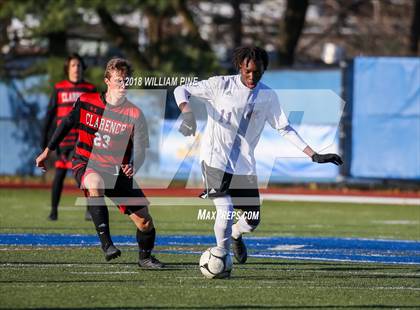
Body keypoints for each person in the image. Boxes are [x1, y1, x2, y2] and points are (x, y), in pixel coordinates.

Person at [174, 45, 343, 264]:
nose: (252, 76)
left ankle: (236, 234)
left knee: (252, 221)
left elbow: (284, 128)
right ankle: (220, 256)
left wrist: (314, 154)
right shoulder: (220, 85)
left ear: (264, 69)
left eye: (257, 71)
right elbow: (181, 90)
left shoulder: (268, 96)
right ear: (239, 68)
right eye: (247, 71)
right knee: (225, 210)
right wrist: (187, 113)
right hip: (214, 159)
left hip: (243, 166)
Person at [36, 58, 164, 268]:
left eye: (126, 81)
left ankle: (145, 258)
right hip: (86, 163)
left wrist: (133, 165)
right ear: (107, 81)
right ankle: (107, 244)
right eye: (118, 80)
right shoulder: (87, 101)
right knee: (94, 183)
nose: (123, 85)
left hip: (117, 171)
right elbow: (66, 124)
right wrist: (47, 151)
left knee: (145, 222)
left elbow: (141, 149)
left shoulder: (134, 114)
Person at [42, 53, 96, 221]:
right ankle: (53, 211)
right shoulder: (59, 88)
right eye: (73, 65)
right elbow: (50, 116)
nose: (76, 69)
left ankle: (89, 209)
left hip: (83, 141)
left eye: (79, 65)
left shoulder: (90, 89)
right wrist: (45, 141)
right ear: (68, 68)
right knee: (59, 174)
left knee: (86, 175)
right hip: (63, 141)